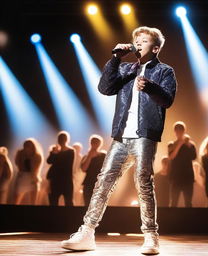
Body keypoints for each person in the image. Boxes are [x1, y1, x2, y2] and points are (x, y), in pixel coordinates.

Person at [61, 26, 177, 255]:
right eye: (137, 40)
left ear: (155, 48)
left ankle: (151, 236)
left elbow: (167, 100)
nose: (139, 42)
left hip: (145, 134)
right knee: (103, 181)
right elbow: (105, 87)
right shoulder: (126, 68)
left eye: (144, 40)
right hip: (121, 136)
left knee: (143, 183)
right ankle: (87, 232)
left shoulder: (164, 71)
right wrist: (115, 59)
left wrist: (151, 87)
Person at [168, 121, 197, 207]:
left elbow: (194, 157)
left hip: (188, 177)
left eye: (181, 130)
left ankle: (189, 220)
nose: (179, 132)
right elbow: (171, 157)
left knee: (188, 203)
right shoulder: (171, 144)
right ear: (175, 131)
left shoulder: (191, 145)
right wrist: (179, 144)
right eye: (177, 130)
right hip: (176, 177)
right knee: (174, 202)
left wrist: (187, 145)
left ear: (184, 131)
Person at [46, 131, 75, 206]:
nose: (61, 140)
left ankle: (69, 217)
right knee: (53, 201)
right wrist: (53, 153)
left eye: (63, 139)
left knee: (69, 202)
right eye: (60, 139)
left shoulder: (70, 152)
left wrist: (56, 153)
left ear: (67, 140)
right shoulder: (55, 151)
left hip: (66, 180)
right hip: (55, 180)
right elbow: (49, 161)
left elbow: (66, 165)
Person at [14, 138, 43, 205]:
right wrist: (23, 157)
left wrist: (31, 158)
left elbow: (34, 170)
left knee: (33, 202)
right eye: (25, 145)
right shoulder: (20, 153)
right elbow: (19, 167)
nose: (26, 147)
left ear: (33, 147)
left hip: (33, 178)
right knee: (16, 201)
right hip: (22, 178)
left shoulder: (37, 156)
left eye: (28, 146)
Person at [81, 135, 106, 206]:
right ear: (90, 143)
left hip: (99, 183)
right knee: (87, 204)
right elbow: (83, 169)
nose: (95, 144)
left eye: (97, 142)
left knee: (98, 206)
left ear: (100, 144)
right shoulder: (86, 157)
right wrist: (89, 156)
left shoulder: (103, 156)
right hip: (88, 183)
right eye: (93, 142)